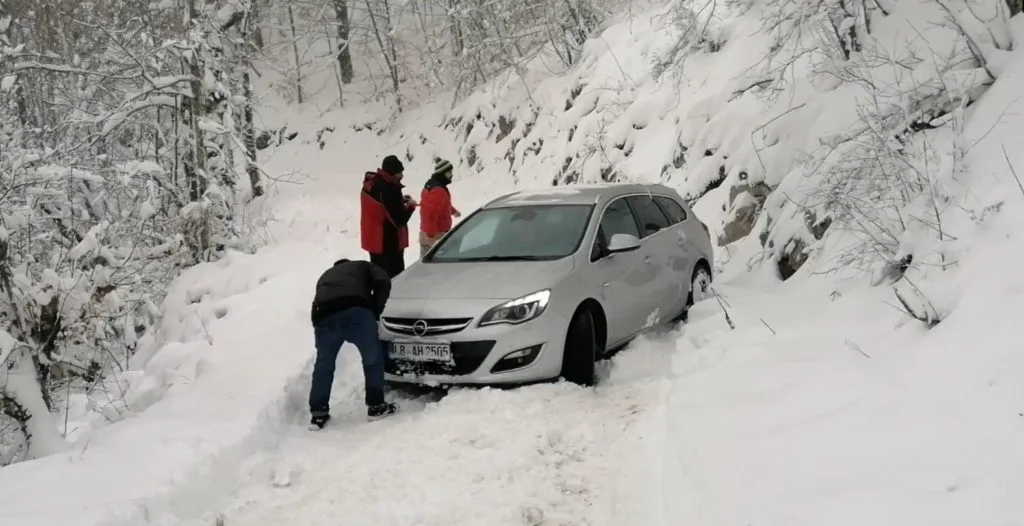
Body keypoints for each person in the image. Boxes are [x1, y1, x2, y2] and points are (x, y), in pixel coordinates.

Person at [308, 257, 398, 429]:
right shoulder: (362, 266)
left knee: (324, 364)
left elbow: (316, 303)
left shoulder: (325, 275)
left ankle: (318, 415)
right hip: (355, 311)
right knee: (372, 358)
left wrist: (318, 329)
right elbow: (383, 280)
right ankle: (376, 406)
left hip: (323, 315)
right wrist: (375, 310)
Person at [361, 155, 417, 277]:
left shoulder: (375, 183)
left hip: (375, 241)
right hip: (387, 243)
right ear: (392, 172)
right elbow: (399, 219)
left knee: (379, 279)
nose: (402, 175)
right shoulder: (387, 188)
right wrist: (411, 207)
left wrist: (400, 201)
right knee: (393, 281)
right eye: (399, 172)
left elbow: (383, 208)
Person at [418, 157, 461, 255]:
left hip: (426, 233)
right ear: (442, 173)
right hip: (435, 235)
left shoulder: (430, 185)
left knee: (425, 266)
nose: (451, 175)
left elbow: (441, 205)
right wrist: (432, 236)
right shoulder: (439, 190)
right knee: (439, 267)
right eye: (449, 172)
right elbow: (430, 213)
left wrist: (453, 211)